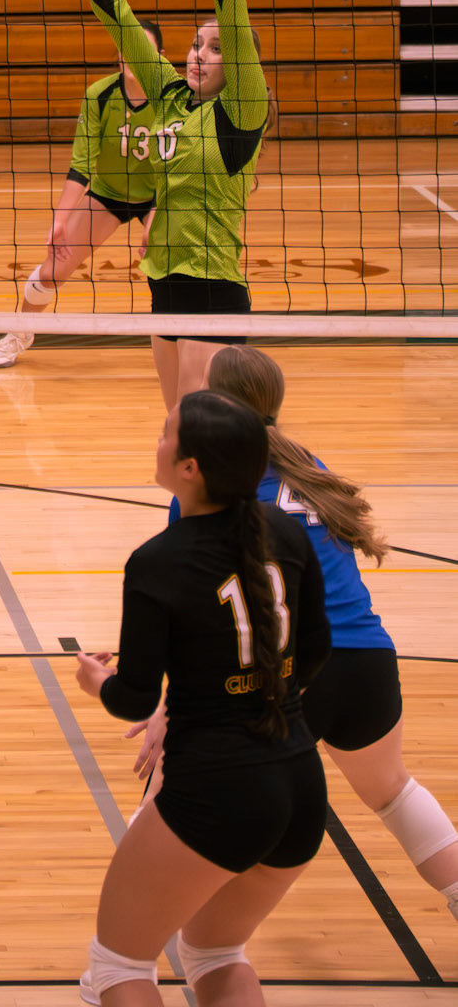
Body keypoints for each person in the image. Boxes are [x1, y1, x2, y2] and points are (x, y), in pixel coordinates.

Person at [73, 388, 331, 1005]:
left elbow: (134, 700)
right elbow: (317, 649)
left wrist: (95, 680)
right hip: (300, 783)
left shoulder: (158, 561)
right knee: (215, 954)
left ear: (190, 468)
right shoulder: (287, 533)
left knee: (119, 966)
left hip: (217, 792)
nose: (157, 441)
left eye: (166, 433)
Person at [203, 346, 458, 925]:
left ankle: (147, 942)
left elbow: (200, 609)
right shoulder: (306, 464)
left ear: (214, 401)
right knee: (393, 792)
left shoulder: (207, 481)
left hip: (291, 671)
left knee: (196, 797)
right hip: (367, 662)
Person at [50, 0, 272, 408]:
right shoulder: (171, 97)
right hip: (164, 280)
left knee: (202, 429)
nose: (199, 54)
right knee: (176, 424)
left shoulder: (242, 111)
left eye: (215, 49)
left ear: (237, 65)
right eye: (196, 44)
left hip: (212, 286)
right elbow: (115, 12)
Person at [0, 22, 162, 370]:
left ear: (160, 57)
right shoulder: (100, 95)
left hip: (161, 195)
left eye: (143, 47)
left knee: (171, 274)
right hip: (108, 193)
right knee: (53, 270)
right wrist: (61, 220)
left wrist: (157, 218)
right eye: (127, 46)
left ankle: (186, 341)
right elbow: (80, 166)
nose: (133, 54)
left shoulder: (172, 98)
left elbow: (178, 168)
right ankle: (21, 332)